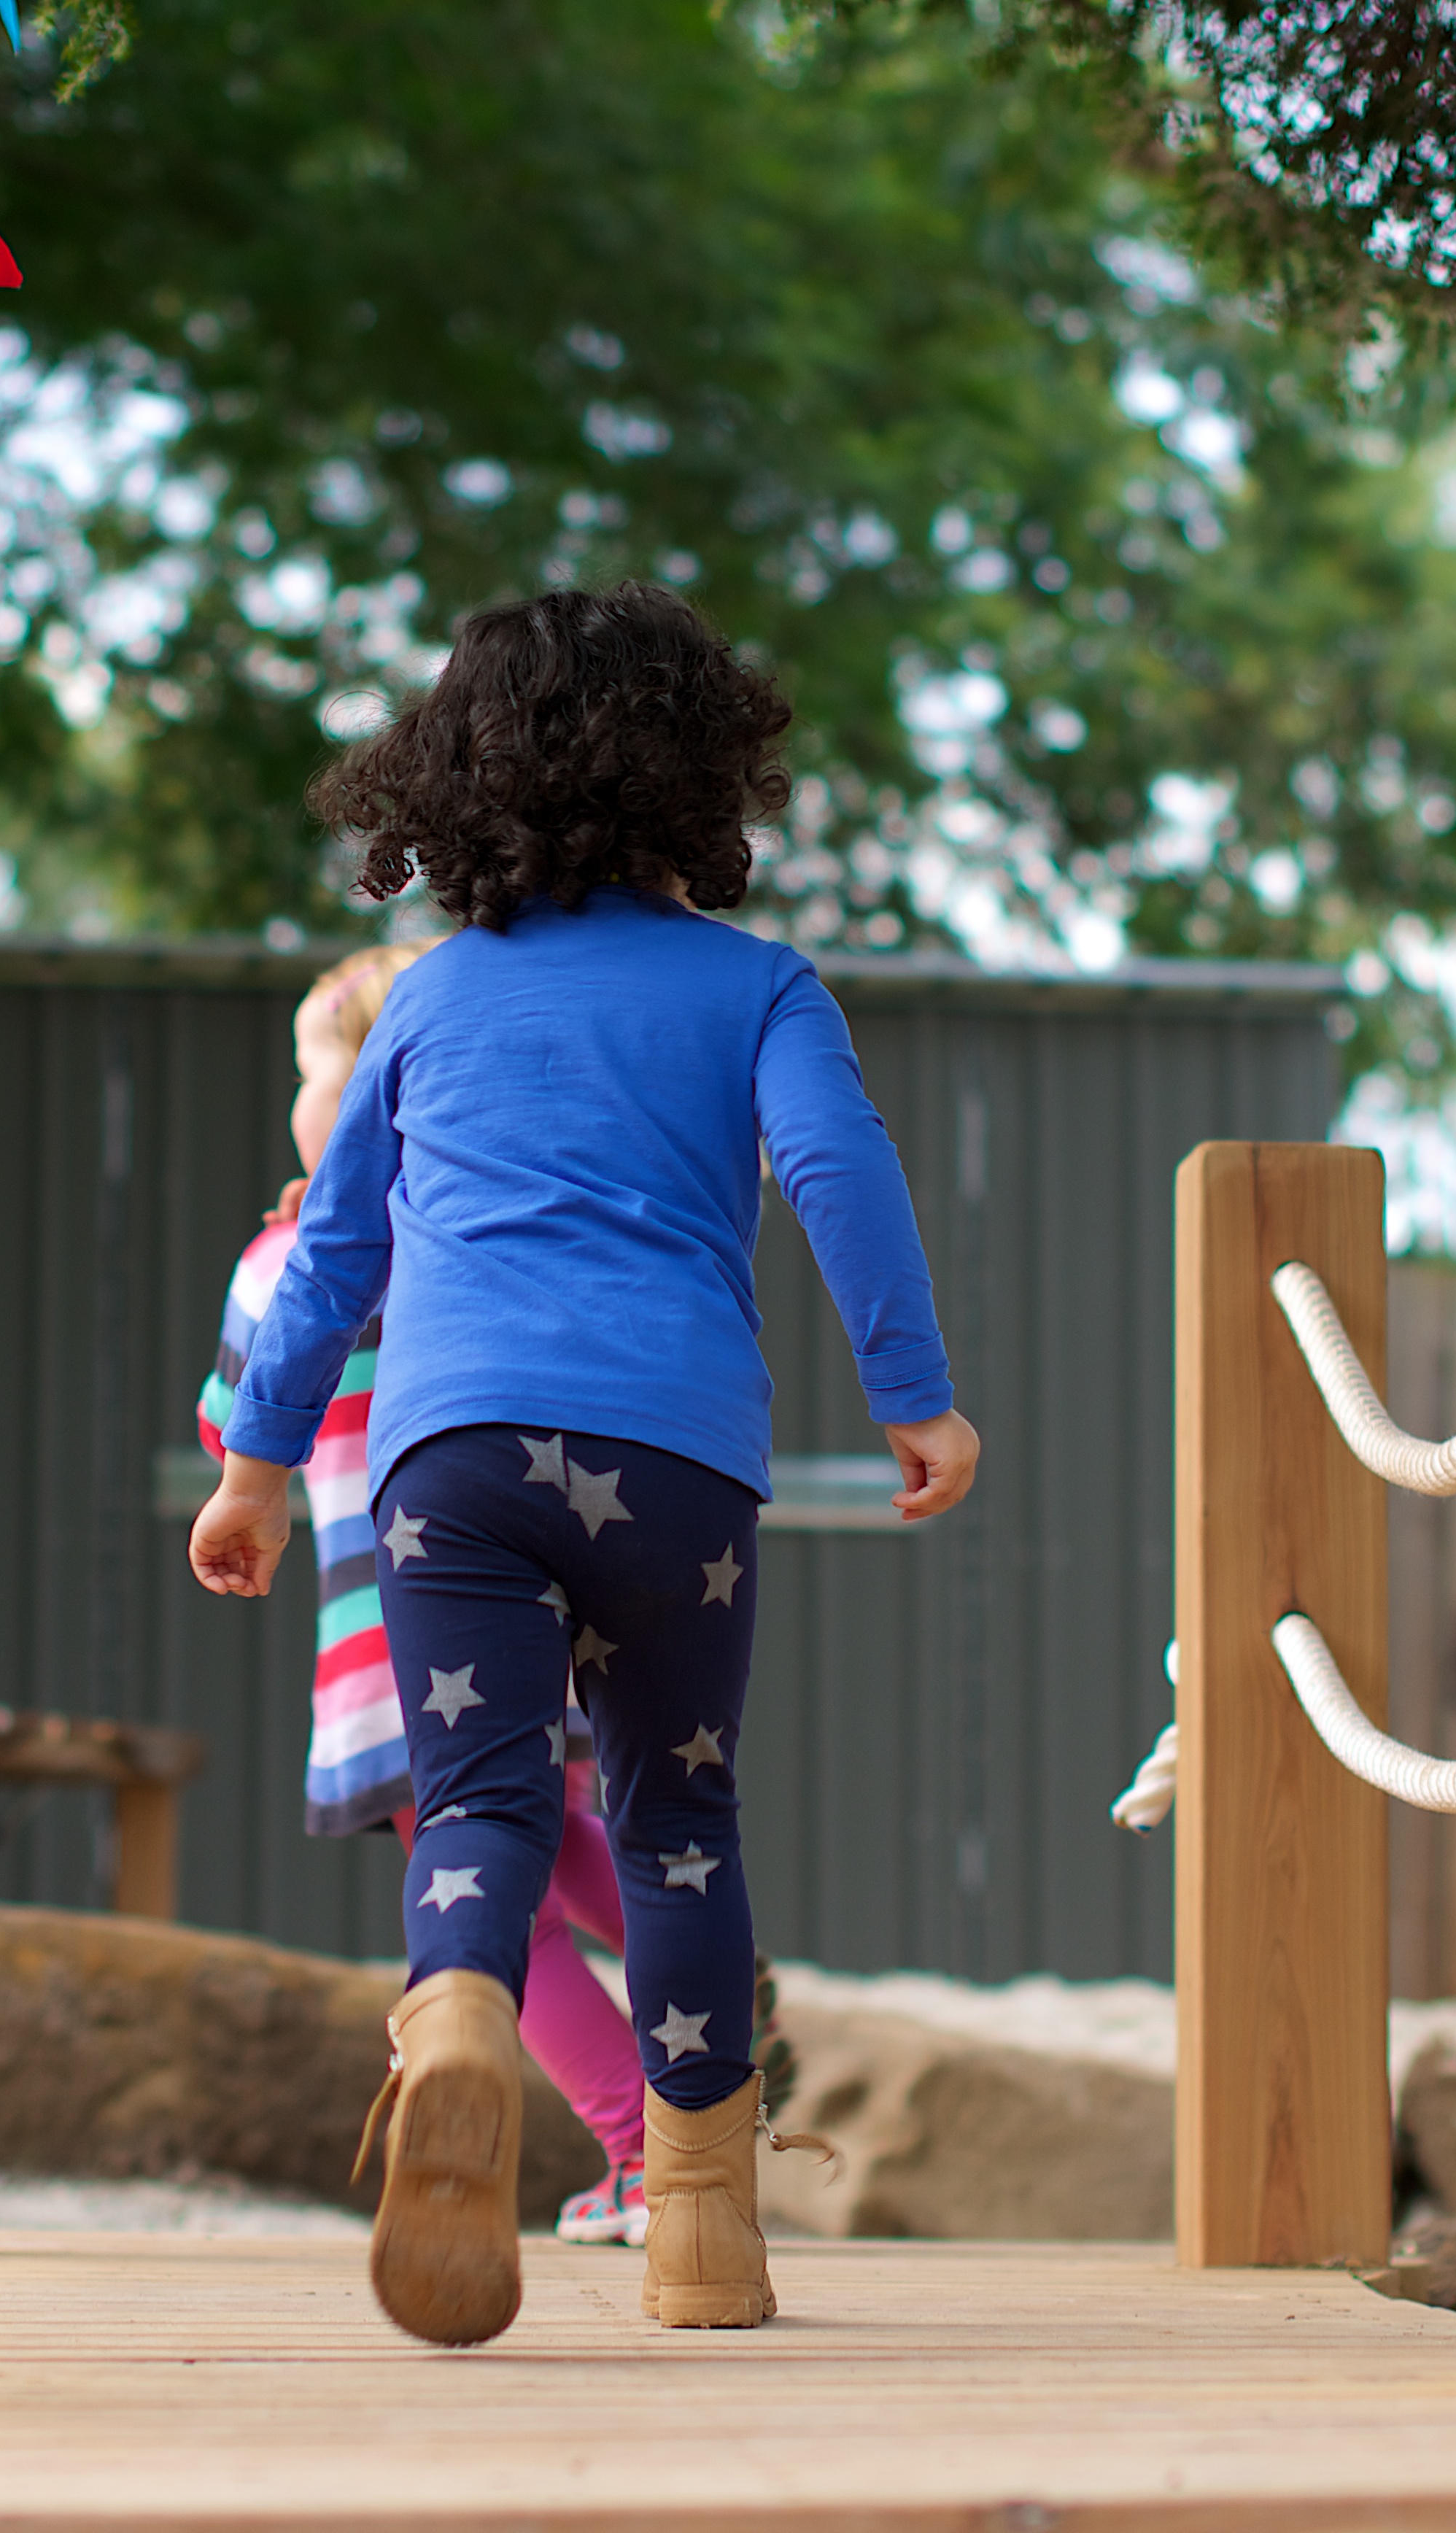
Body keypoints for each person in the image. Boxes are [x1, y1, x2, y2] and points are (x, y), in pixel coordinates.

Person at [190, 582, 980, 2346]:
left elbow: (330, 1256)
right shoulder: (757, 986)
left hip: (447, 1458)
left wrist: (253, 1467)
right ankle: (701, 2235)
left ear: (452, 785)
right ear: (710, 779)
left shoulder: (429, 996)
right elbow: (839, 1177)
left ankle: (458, 2015)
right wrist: (912, 1394)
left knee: (477, 1800)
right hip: (676, 1462)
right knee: (675, 1822)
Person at [199, 938, 661, 2245]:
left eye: (311, 1072)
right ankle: (698, 1946)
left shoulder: (291, 1257)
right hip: (541, 1605)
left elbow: (229, 1421)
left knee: (491, 1911)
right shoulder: (500, 1237)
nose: (299, 1097)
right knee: (562, 1837)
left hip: (395, 1639)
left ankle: (645, 2148)